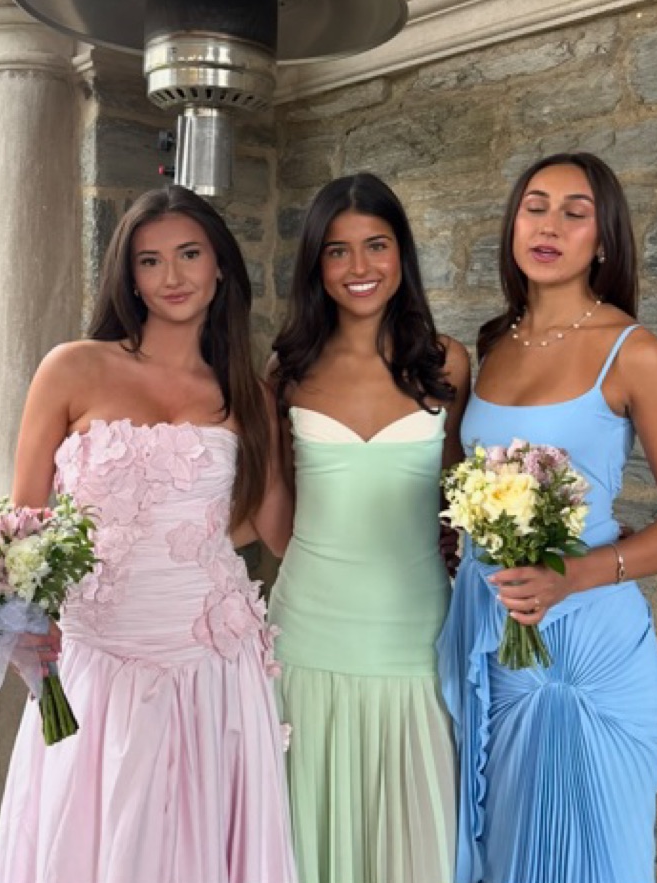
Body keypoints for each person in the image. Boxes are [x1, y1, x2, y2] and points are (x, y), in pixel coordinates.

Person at [0, 185, 297, 883]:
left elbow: (262, 526)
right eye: (150, 261)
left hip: (212, 663)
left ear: (221, 266)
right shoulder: (73, 367)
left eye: (190, 255)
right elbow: (23, 521)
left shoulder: (249, 394)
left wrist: (305, 402)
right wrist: (18, 617)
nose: (172, 276)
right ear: (129, 276)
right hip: (98, 661)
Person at [437, 152, 657, 883]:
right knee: (502, 848)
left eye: (575, 212)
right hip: (494, 634)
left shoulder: (635, 353)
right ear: (513, 226)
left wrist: (576, 572)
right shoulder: (494, 344)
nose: (550, 226)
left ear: (603, 239)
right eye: (535, 207)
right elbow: (465, 475)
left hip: (588, 642)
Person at [267, 172, 471, 883]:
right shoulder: (287, 370)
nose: (359, 267)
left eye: (376, 245)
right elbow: (276, 512)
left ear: (401, 253)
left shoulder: (446, 362)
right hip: (306, 633)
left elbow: (458, 491)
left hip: (413, 635)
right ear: (316, 265)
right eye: (338, 250)